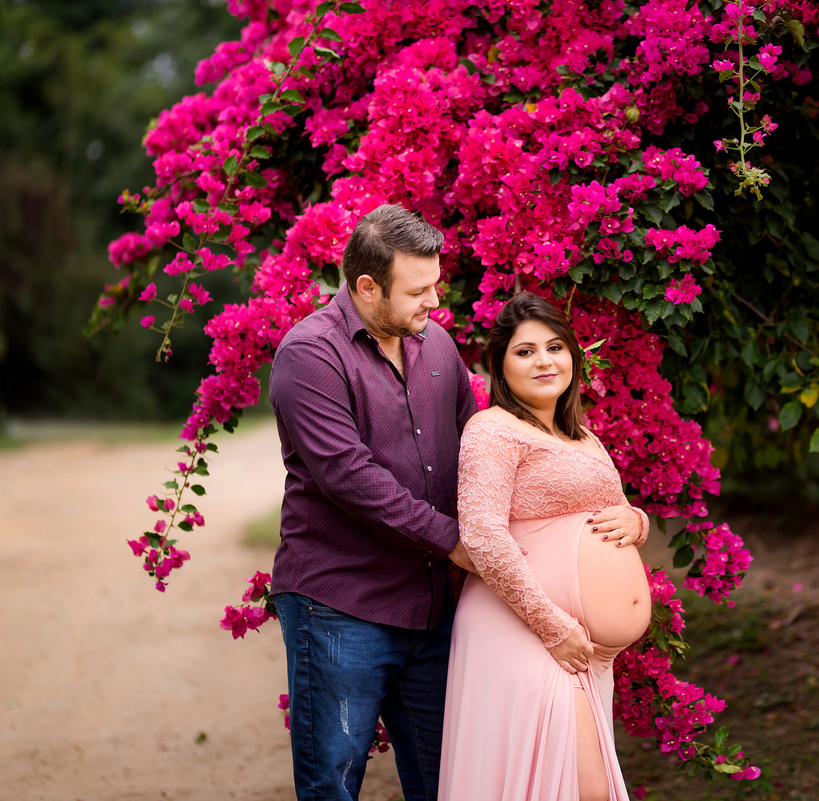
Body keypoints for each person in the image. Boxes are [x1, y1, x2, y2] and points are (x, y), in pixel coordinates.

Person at [267, 204, 479, 801]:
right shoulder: (309, 355)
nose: (434, 302)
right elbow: (351, 478)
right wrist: (457, 543)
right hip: (341, 605)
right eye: (418, 290)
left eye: (436, 284)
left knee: (451, 784)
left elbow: (480, 445)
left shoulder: (437, 345)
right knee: (333, 786)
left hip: (431, 609)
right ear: (365, 286)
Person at [440, 292, 653, 801]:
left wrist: (637, 520)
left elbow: (612, 510)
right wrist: (553, 627)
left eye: (554, 347)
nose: (544, 361)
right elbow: (483, 534)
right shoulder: (493, 430)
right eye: (525, 351)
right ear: (499, 365)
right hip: (524, 629)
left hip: (577, 645)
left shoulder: (583, 437)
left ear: (573, 357)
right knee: (582, 788)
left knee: (573, 789)